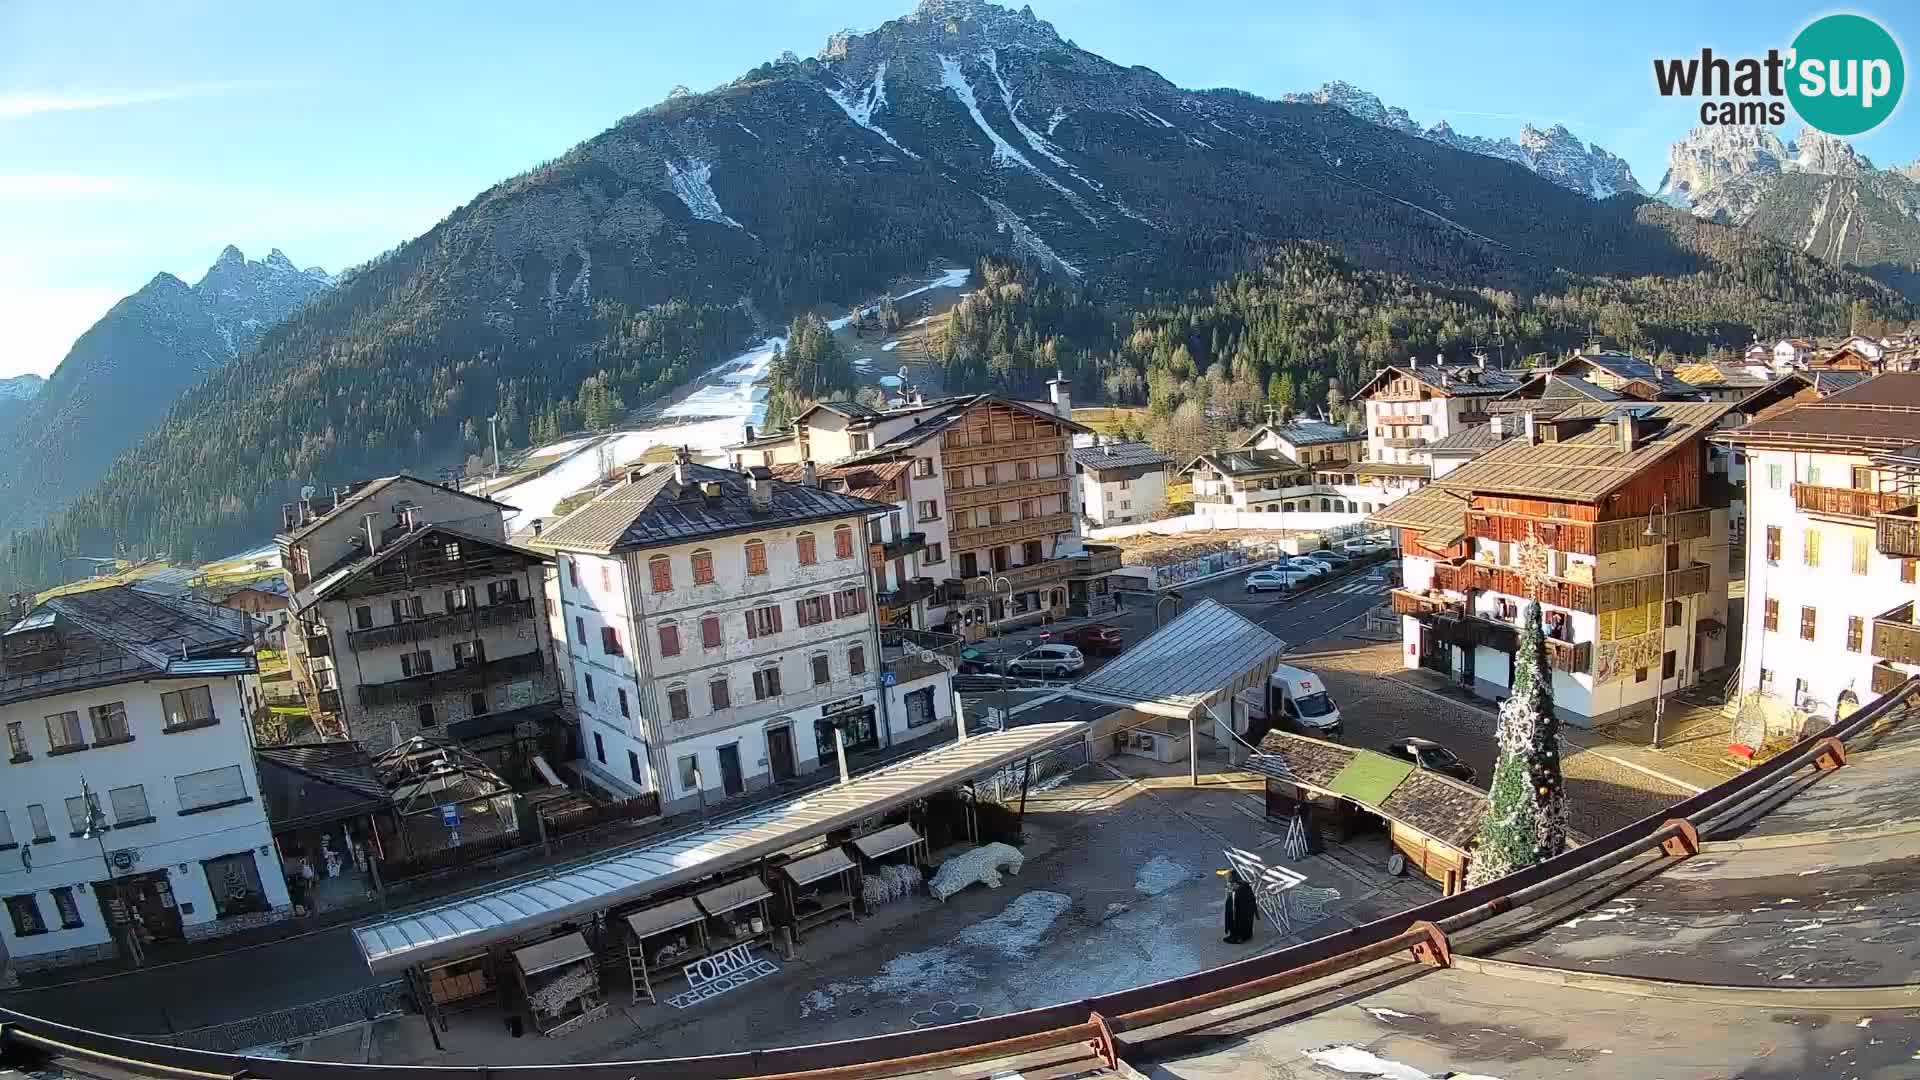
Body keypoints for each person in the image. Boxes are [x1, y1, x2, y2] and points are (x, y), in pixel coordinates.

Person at [1218, 868, 1256, 944]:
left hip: (1242, 914)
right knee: (1237, 916)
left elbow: (1237, 912)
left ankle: (1240, 936)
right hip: (1242, 909)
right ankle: (1239, 934)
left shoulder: (1242, 892)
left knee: (1240, 917)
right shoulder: (1244, 889)